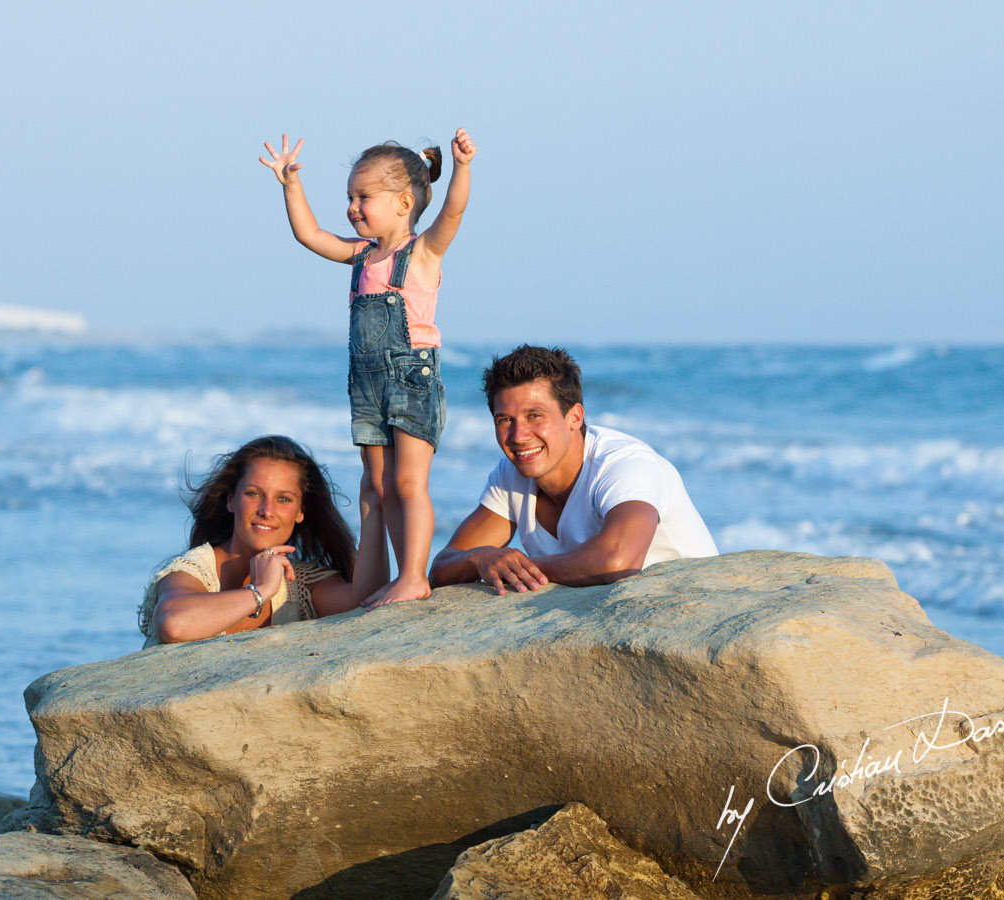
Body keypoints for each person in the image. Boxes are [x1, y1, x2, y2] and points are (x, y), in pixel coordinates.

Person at [258, 129, 477, 607]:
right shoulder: (360, 255)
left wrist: (461, 167)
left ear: (403, 202)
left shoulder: (422, 252)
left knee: (406, 483)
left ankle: (414, 576)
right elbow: (308, 235)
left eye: (363, 197)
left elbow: (453, 212)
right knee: (374, 488)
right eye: (349, 198)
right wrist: (290, 185)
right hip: (368, 385)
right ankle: (374, 584)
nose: (353, 207)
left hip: (410, 380)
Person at [430, 345, 718, 594]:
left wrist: (519, 570)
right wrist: (481, 558)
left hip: (693, 613)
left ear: (575, 417)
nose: (518, 436)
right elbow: (443, 568)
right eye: (505, 420)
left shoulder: (624, 463)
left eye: (535, 416)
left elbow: (618, 560)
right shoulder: (510, 474)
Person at [137, 436, 390, 646]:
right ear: (230, 501)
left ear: (301, 511)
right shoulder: (194, 571)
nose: (266, 510)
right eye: (254, 494)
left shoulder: (300, 585)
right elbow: (174, 624)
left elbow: (367, 601)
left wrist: (374, 501)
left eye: (284, 499)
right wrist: (260, 592)